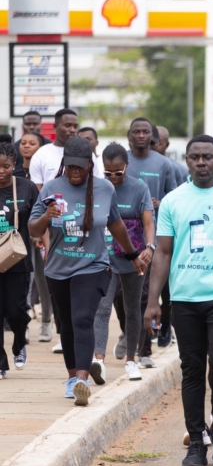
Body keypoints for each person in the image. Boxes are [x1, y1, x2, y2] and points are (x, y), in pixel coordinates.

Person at [144, 134, 213, 466]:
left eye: (208, 157)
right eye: (195, 157)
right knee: (192, 369)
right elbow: (162, 252)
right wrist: (153, 302)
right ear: (187, 161)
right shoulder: (174, 201)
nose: (202, 163)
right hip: (184, 299)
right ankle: (196, 442)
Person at [30, 137, 145, 406]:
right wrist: (47, 216)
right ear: (63, 164)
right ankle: (72, 377)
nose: (74, 172)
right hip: (58, 269)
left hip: (94, 265)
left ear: (89, 165)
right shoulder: (51, 187)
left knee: (83, 318)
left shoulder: (104, 189)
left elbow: (116, 224)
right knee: (67, 324)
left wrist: (132, 255)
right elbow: (34, 229)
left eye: (80, 167)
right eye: (70, 166)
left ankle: (82, 378)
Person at [91, 143, 154, 384]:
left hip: (133, 258)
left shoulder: (139, 188)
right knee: (103, 308)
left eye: (118, 172)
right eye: (108, 173)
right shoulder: (98, 188)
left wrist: (150, 247)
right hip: (104, 258)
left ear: (126, 166)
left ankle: (131, 361)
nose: (113, 177)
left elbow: (148, 221)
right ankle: (99, 360)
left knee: (132, 308)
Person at [124, 118, 181, 358]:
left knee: (151, 290)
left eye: (145, 131)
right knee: (121, 293)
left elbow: (175, 195)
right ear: (129, 135)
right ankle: (128, 333)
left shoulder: (164, 164)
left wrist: (160, 202)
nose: (140, 135)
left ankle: (156, 334)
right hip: (124, 235)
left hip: (156, 234)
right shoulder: (122, 159)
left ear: (153, 137)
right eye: (136, 131)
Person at [0, 139, 37, 379]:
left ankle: (19, 341)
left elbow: (39, 218)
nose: (1, 172)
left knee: (15, 311)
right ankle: (1, 363)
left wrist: (41, 239)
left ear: (14, 164)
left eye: (5, 166)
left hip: (17, 262)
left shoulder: (26, 187)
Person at [18, 131, 52, 343]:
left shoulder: (43, 175)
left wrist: (39, 232)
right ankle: (23, 323)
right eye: (23, 143)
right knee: (23, 279)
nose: (27, 146)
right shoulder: (11, 172)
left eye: (32, 143)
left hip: (39, 231)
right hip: (17, 235)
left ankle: (46, 322)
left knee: (41, 277)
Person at [29, 109, 104, 189]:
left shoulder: (87, 153)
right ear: (55, 126)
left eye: (75, 126)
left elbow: (96, 184)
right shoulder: (41, 155)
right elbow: (38, 191)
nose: (72, 130)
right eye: (68, 125)